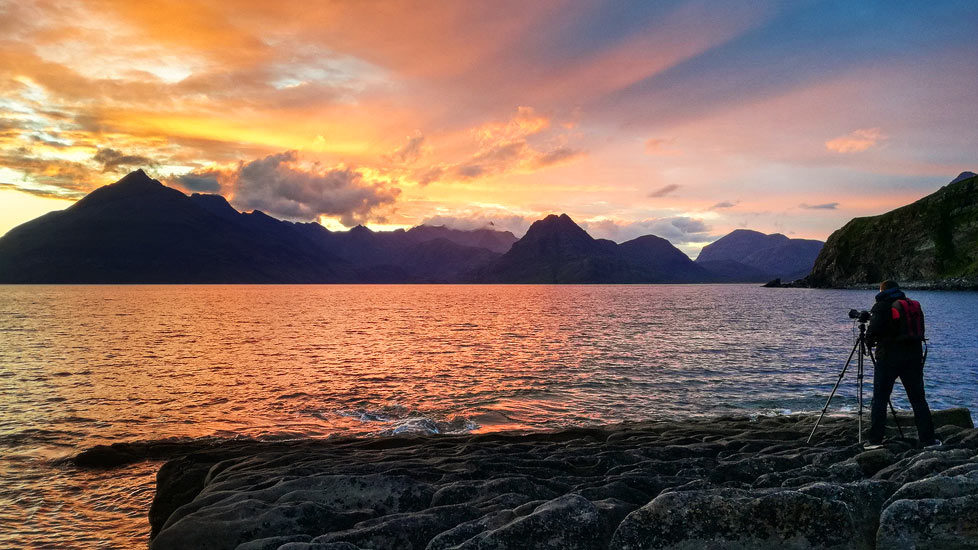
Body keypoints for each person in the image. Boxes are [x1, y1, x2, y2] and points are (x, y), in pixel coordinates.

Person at [864, 280, 938, 448]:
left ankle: (875, 440)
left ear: (882, 290)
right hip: (913, 358)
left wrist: (869, 338)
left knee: (880, 399)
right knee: (918, 400)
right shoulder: (911, 306)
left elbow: (872, 333)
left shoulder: (882, 306)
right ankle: (928, 440)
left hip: (888, 358)